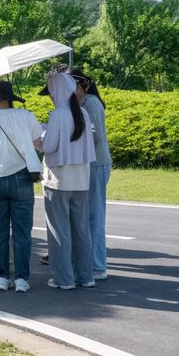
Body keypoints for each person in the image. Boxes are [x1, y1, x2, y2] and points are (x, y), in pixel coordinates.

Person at [0, 81, 43, 292]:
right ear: (10, 98)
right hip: (21, 175)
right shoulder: (26, 115)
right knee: (22, 232)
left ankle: (2, 278)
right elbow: (38, 142)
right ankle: (22, 279)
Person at [38, 72, 96, 290]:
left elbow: (49, 145)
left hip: (58, 180)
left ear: (57, 91)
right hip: (81, 180)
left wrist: (39, 138)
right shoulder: (82, 112)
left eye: (51, 92)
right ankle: (85, 276)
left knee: (59, 230)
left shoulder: (58, 115)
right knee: (81, 229)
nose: (51, 96)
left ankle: (63, 278)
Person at [71, 68, 112, 281]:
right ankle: (88, 262)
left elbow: (97, 136)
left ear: (80, 85)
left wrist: (71, 133)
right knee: (86, 216)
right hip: (90, 165)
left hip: (97, 165)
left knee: (95, 216)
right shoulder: (81, 103)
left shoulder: (91, 103)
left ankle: (98, 265)